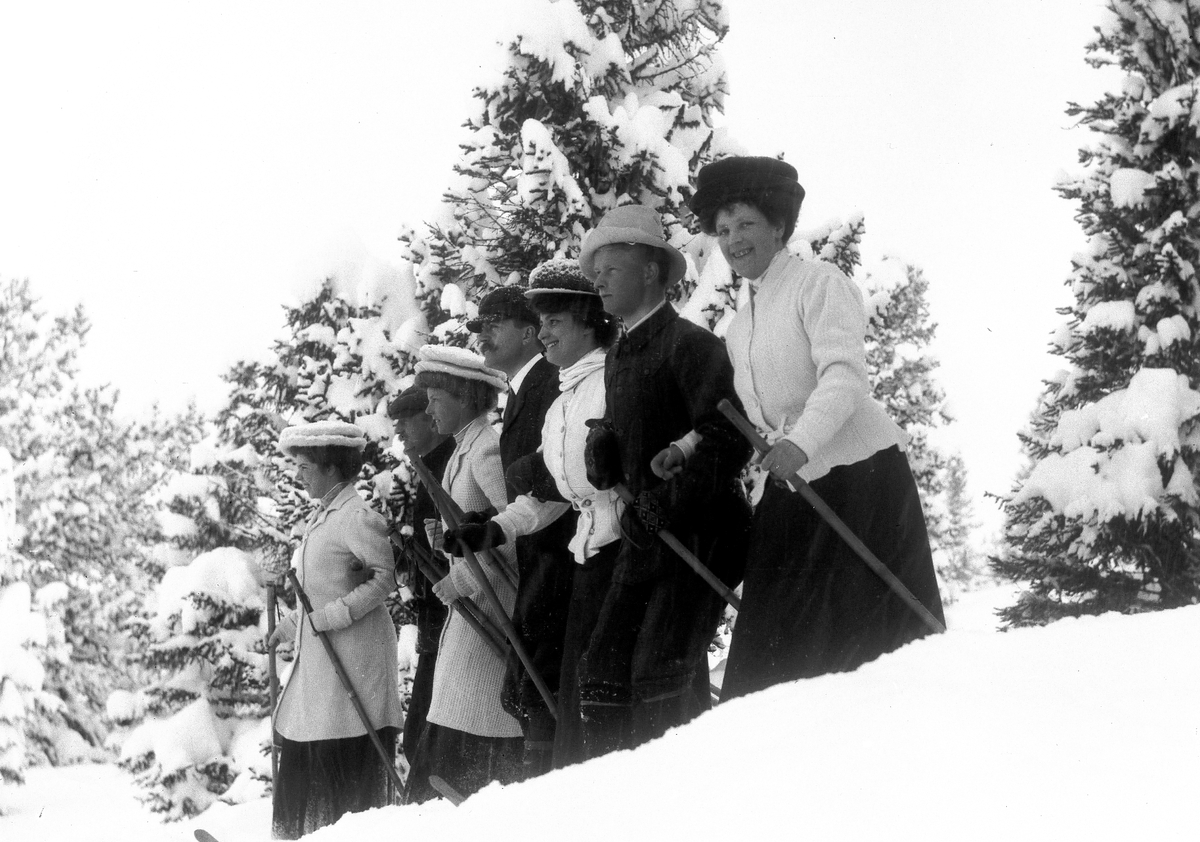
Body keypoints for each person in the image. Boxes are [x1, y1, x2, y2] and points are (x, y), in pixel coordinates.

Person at [688, 155, 946, 700]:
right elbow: (755, 410)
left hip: (861, 481)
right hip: (796, 485)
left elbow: (845, 377)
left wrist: (801, 443)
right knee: (777, 641)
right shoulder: (741, 325)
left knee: (865, 642)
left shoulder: (818, 284)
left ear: (779, 226)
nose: (733, 240)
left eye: (747, 225)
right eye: (724, 229)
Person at [576, 204, 752, 757]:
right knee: (602, 671)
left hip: (699, 533)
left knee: (660, 672)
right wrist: (603, 444)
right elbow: (635, 426)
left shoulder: (690, 346)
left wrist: (668, 502)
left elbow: (727, 437)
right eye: (595, 270)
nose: (598, 280)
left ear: (652, 271)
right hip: (645, 537)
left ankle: (686, 799)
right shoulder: (619, 354)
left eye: (612, 267)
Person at [446, 259, 622, 768]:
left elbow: (575, 482)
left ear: (588, 322)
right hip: (572, 554)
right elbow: (549, 491)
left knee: (581, 692)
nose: (544, 335)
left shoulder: (592, 380)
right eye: (541, 324)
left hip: (597, 556)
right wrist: (492, 530)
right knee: (552, 692)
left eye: (553, 323)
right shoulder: (560, 391)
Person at [269, 420, 403, 839]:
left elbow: (385, 578)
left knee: (341, 753)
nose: (299, 475)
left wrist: (333, 617)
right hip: (324, 661)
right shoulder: (325, 516)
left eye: (305, 466)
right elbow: (321, 586)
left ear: (329, 467)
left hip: (353, 659)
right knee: (313, 746)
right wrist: (291, 625)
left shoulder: (355, 516)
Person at [402, 344, 524, 803]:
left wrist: (463, 581)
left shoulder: (486, 449)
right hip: (471, 613)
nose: (429, 409)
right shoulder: (463, 448)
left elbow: (510, 532)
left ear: (467, 398)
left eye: (436, 398)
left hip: (492, 610)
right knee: (453, 717)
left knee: (473, 721)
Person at [467, 285, 578, 774]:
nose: (481, 335)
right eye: (478, 326)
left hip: (562, 556)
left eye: (494, 324)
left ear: (531, 331)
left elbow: (557, 483)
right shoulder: (521, 393)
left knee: (544, 687)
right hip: (540, 555)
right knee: (532, 688)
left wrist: (499, 527)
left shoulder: (549, 385)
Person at [386, 386, 455, 774]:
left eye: (406, 419)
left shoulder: (448, 465)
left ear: (431, 417)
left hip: (454, 619)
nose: (398, 430)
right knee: (419, 740)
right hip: (435, 624)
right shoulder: (429, 467)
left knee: (429, 741)